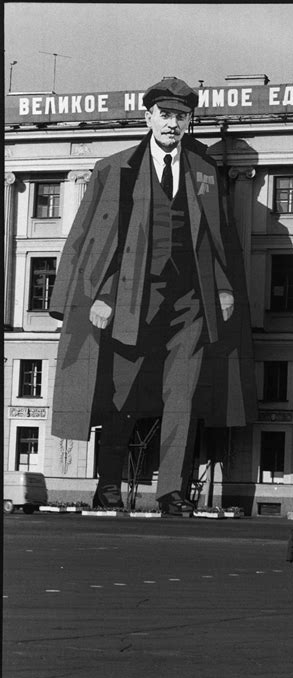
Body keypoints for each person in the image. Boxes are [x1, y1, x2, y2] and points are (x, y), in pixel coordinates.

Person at [49, 77, 257, 512]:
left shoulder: (204, 171)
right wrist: (99, 297)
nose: (172, 123)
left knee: (181, 397)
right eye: (165, 115)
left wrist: (222, 288)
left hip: (190, 302)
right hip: (130, 299)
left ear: (189, 122)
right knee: (122, 396)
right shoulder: (115, 169)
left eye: (181, 116)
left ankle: (171, 492)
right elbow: (93, 239)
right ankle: (108, 485)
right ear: (148, 117)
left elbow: (221, 238)